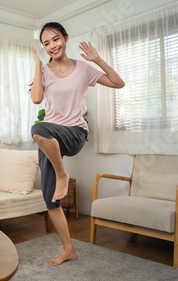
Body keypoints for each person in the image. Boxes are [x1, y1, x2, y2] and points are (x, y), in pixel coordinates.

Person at [30, 22, 124, 266]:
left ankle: (62, 174)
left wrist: (98, 59)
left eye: (56, 39)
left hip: (74, 133)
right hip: (49, 139)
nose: (52, 46)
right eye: (46, 43)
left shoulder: (82, 68)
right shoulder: (43, 71)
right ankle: (69, 249)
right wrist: (37, 67)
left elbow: (118, 83)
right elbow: (37, 99)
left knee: (38, 129)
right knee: (51, 201)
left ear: (66, 38)